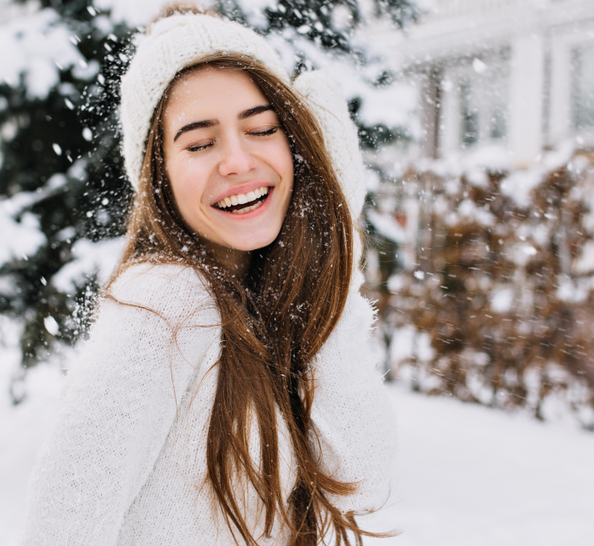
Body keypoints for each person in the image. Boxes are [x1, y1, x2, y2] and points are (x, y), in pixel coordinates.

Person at [21, 9, 395, 546]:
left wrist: (334, 237)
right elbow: (60, 525)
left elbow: (360, 479)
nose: (238, 160)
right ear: (160, 175)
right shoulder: (167, 302)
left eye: (262, 129)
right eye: (199, 143)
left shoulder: (265, 301)